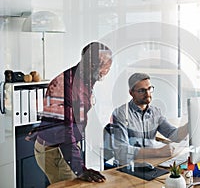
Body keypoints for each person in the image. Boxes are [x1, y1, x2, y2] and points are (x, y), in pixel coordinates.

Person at [26, 42, 112, 184]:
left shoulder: (84, 78)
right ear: (92, 66)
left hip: (65, 146)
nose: (106, 73)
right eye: (106, 68)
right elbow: (63, 132)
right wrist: (80, 169)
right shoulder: (65, 85)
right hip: (56, 150)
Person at [110, 73, 188, 165]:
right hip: (128, 167)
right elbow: (122, 151)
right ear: (131, 93)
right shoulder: (120, 113)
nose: (147, 94)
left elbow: (174, 135)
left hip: (151, 163)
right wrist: (158, 152)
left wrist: (190, 125)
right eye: (142, 90)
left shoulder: (155, 112)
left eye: (149, 89)